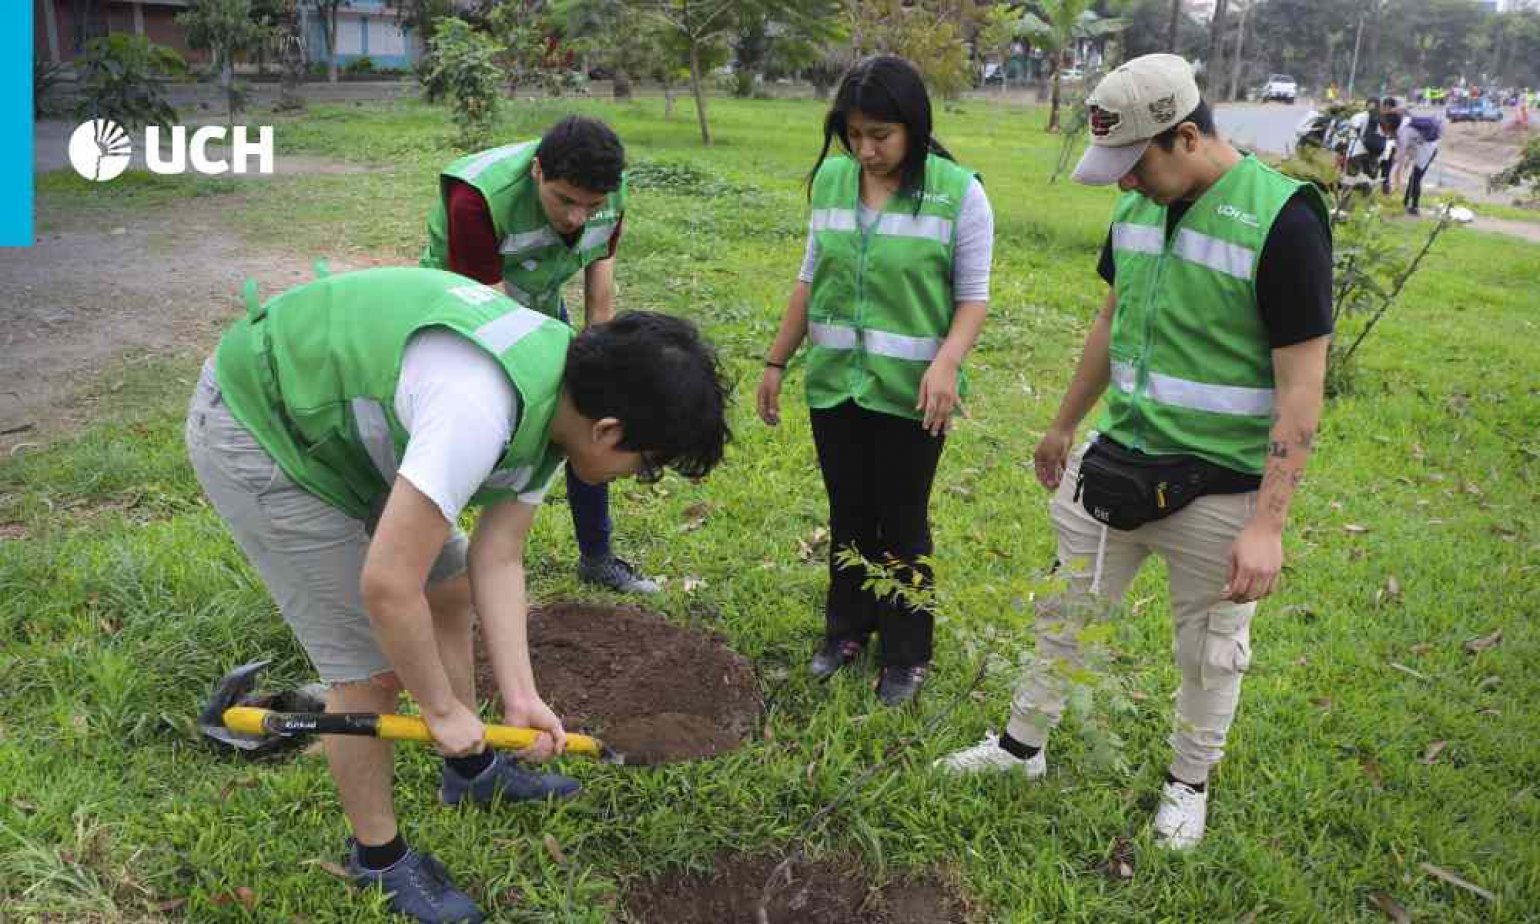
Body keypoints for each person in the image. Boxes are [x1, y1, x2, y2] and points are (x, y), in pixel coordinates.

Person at [186, 267, 730, 922]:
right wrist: (440, 710)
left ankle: (471, 772)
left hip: (353, 430)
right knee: (371, 672)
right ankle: (378, 859)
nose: (639, 478)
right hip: (264, 428)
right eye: (646, 467)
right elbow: (387, 588)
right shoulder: (478, 407)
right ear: (609, 432)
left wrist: (522, 698)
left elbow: (497, 557)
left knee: (449, 587)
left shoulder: (564, 399)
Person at [936, 54, 1333, 852]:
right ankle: (1021, 749)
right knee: (1063, 612)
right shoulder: (1138, 210)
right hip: (1115, 461)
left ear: (1185, 136)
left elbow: (1301, 386)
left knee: (1210, 652)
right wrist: (1061, 425)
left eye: (1134, 166)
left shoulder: (1283, 218)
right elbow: (1111, 322)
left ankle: (1188, 784)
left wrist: (1268, 524)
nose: (1124, 184)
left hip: (1220, 486)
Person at [756, 55, 992, 707]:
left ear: (913, 127)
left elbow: (973, 297)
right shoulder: (833, 181)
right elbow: (811, 277)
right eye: (855, 135)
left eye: (880, 136)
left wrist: (947, 362)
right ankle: (846, 631)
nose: (866, 150)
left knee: (903, 520)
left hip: (913, 393)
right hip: (837, 385)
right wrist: (777, 361)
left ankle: (907, 655)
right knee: (849, 513)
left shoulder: (957, 192)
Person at [420, 115, 658, 594]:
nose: (576, 217)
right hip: (460, 311)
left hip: (541, 304)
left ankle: (597, 556)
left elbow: (600, 285)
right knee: (489, 426)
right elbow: (490, 315)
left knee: (590, 419)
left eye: (589, 206)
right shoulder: (477, 199)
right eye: (564, 200)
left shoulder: (611, 192)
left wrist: (601, 370)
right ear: (536, 172)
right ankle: (433, 559)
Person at [1384, 110, 1440, 215]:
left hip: (1427, 151)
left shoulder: (1404, 132)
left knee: (1415, 179)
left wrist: (1396, 176)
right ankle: (1406, 203)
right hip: (1424, 149)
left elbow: (1400, 156)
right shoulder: (1405, 123)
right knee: (1413, 179)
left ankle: (1414, 207)